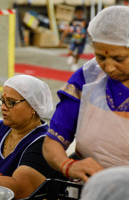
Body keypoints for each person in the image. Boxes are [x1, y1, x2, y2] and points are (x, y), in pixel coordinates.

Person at [43, 5, 129, 183]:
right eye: (101, 57)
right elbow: (52, 143)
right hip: (89, 188)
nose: (109, 68)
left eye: (119, 59)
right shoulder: (88, 78)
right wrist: (68, 165)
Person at [59, 6, 88, 71]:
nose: (79, 14)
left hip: (82, 40)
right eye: (78, 13)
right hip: (74, 40)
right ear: (75, 13)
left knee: (78, 54)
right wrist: (61, 40)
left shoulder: (85, 21)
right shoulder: (73, 21)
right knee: (70, 51)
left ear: (83, 13)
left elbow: (88, 31)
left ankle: (75, 63)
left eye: (81, 13)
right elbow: (67, 29)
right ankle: (72, 56)